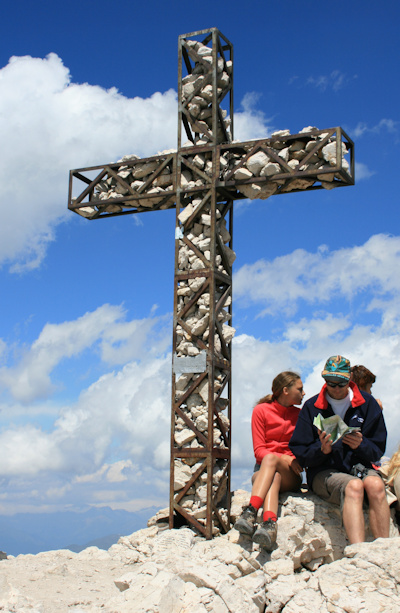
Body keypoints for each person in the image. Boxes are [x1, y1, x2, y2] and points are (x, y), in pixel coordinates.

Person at [289, 355, 390, 544]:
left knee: (376, 485)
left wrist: (361, 445)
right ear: (324, 380)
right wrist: (322, 449)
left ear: (349, 380)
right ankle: (358, 549)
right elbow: (300, 451)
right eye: (330, 383)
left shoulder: (367, 404)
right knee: (354, 486)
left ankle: (383, 548)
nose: (335, 388)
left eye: (341, 383)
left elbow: (377, 450)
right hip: (324, 472)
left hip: (359, 466)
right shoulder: (312, 407)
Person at [234, 371, 304, 550]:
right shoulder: (261, 411)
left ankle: (250, 511)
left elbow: (305, 448)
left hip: (291, 474)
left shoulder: (301, 415)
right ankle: (269, 525)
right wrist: (286, 456)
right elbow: (259, 452)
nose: (303, 394)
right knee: (273, 476)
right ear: (285, 390)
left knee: (271, 459)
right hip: (265, 470)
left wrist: (289, 458)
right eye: (300, 389)